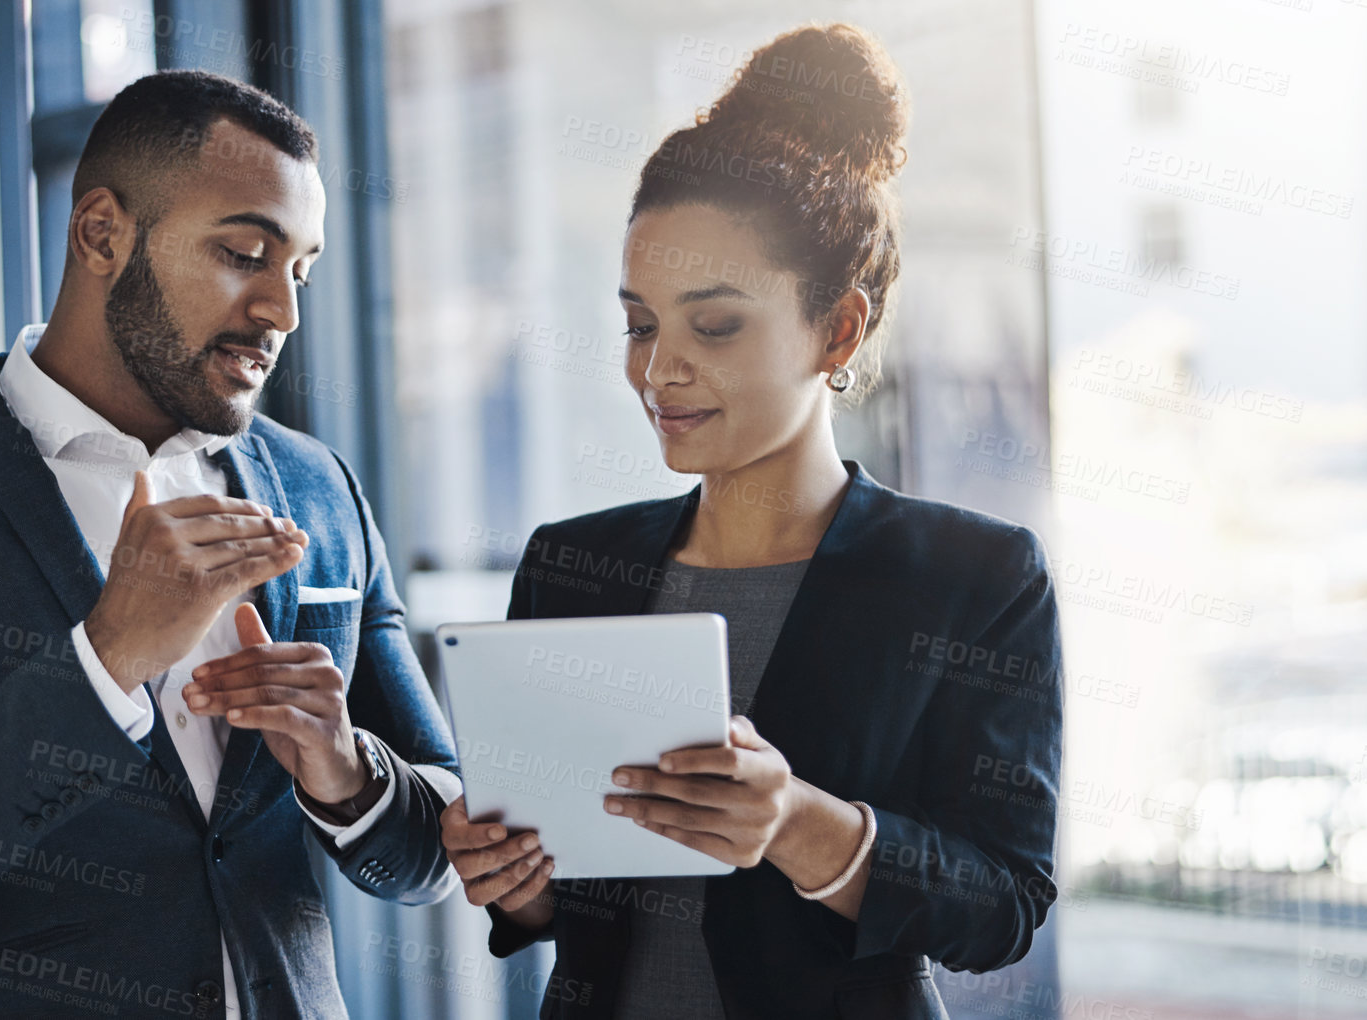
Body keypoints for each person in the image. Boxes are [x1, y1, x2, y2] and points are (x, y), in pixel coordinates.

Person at [0, 70, 459, 1019]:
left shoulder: (318, 486)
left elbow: (439, 848)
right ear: (101, 233)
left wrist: (346, 770)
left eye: (299, 269)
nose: (282, 313)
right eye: (246, 252)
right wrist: (106, 660)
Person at [439, 23, 1063, 1020]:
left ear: (838, 328)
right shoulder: (573, 565)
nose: (658, 369)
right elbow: (565, 893)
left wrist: (797, 822)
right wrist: (514, 875)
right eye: (640, 324)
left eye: (714, 324)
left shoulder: (972, 576)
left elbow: (1002, 905)